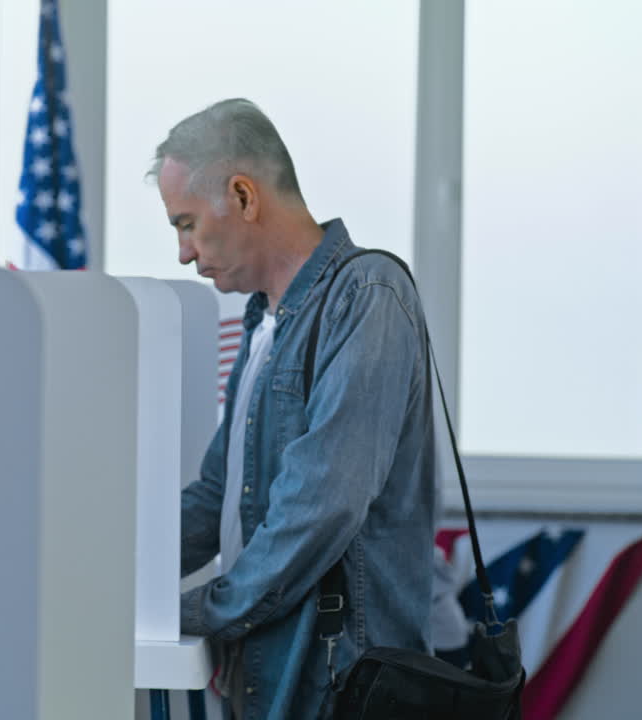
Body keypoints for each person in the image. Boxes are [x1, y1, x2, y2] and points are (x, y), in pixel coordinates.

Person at [150, 98, 436, 719]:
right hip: (270, 673)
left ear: (244, 196)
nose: (183, 252)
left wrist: (199, 610)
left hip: (333, 686)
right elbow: (216, 495)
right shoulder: (263, 322)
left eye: (186, 223)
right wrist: (113, 569)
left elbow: (319, 508)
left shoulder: (367, 297)